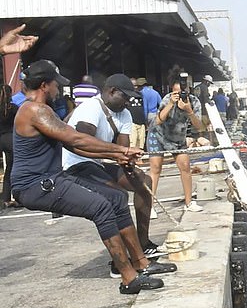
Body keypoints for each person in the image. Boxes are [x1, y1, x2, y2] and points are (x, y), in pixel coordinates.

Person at [11, 60, 174, 295]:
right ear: (45, 85)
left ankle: (142, 263)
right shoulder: (34, 110)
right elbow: (77, 139)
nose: (60, 90)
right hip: (35, 185)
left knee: (117, 199)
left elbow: (75, 146)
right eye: (57, 84)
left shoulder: (43, 111)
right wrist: (121, 151)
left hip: (52, 179)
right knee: (101, 207)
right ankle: (127, 278)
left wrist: (119, 153)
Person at [62, 73, 166, 261]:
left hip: (99, 162)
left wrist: (128, 161)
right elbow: (83, 145)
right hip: (77, 163)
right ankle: (121, 259)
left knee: (145, 182)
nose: (127, 102)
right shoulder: (91, 108)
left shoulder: (124, 113)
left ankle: (143, 243)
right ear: (111, 91)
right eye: (124, 97)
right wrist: (118, 153)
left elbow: (123, 147)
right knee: (117, 196)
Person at [147, 77, 204, 213]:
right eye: (176, 92)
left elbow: (199, 127)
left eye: (183, 92)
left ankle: (189, 203)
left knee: (185, 166)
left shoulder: (194, 102)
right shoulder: (167, 99)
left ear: (188, 90)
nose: (180, 95)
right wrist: (171, 104)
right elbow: (159, 120)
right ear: (172, 91)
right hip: (158, 135)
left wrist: (189, 111)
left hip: (178, 138)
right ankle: (150, 206)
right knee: (155, 169)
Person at [0, 84, 18, 208]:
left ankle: (5, 199)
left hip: (1, 138)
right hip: (10, 139)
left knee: (8, 170)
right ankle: (16, 197)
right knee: (12, 169)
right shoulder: (13, 108)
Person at [128, 78, 147, 150]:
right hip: (132, 122)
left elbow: (144, 107)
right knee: (133, 142)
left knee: (141, 142)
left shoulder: (140, 95)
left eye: (136, 85)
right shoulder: (127, 95)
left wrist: (145, 121)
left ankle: (139, 159)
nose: (135, 87)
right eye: (133, 86)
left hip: (141, 122)